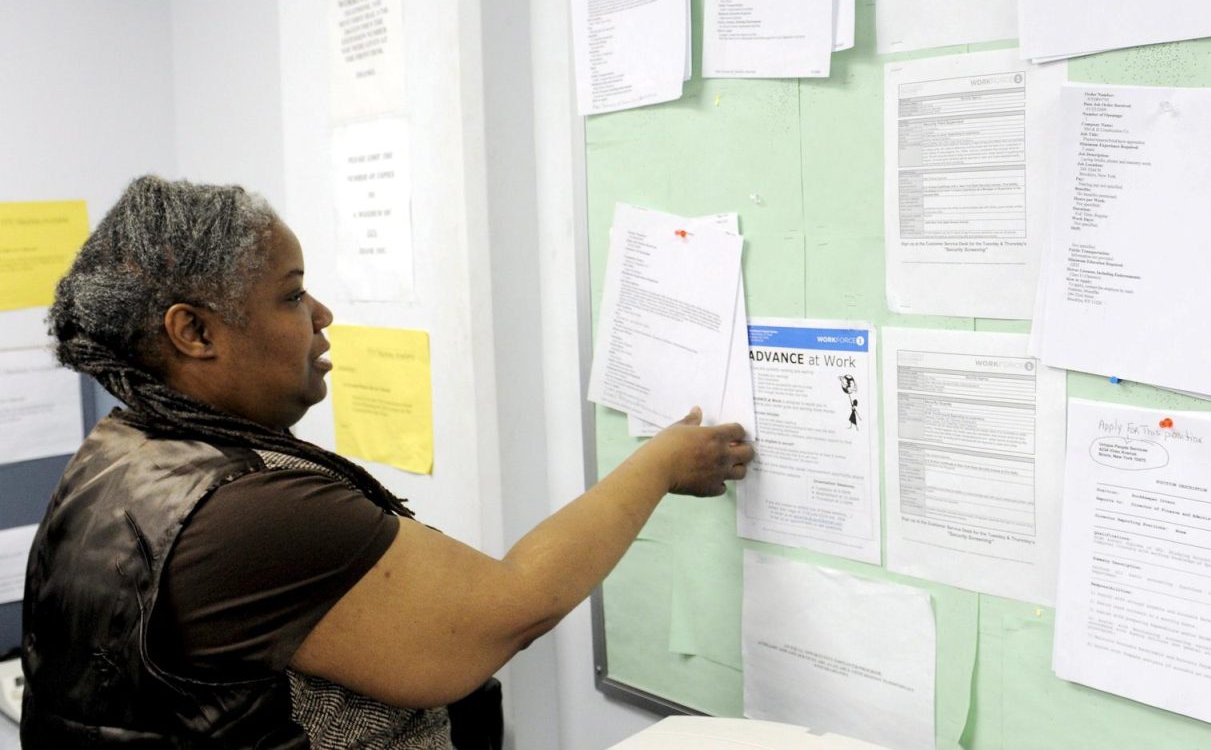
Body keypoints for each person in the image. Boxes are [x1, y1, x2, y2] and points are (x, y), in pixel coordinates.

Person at [22, 176, 753, 748]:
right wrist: (658, 465)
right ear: (194, 332)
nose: (321, 314)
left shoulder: (115, 452)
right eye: (290, 294)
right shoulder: (248, 511)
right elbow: (512, 608)